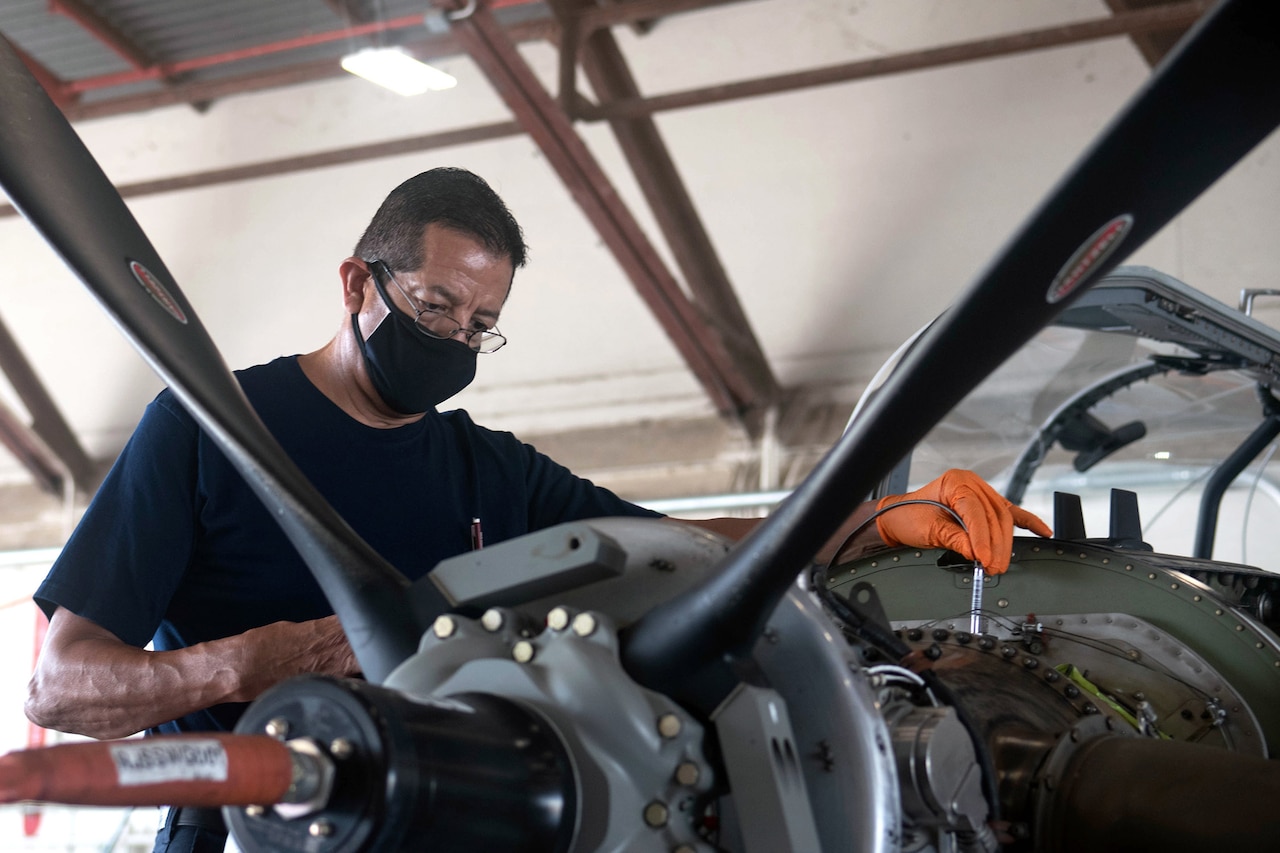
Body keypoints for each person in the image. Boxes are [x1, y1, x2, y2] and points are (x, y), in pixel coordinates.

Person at [25, 167, 1050, 852]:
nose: (455, 341)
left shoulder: (491, 475)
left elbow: (689, 552)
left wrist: (875, 517)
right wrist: (265, 660)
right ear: (357, 281)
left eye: (481, 327)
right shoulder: (207, 427)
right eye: (434, 308)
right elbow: (62, 688)